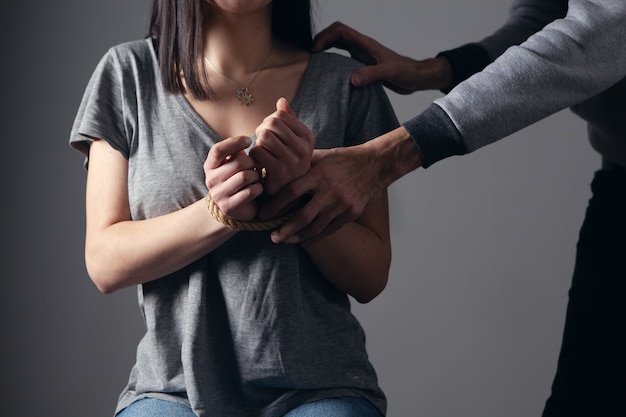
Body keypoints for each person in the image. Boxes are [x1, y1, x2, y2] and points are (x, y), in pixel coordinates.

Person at [259, 0, 626, 416]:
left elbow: (603, 31)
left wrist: (390, 155)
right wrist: (438, 69)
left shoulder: (343, 87)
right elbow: (551, 14)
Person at [69, 0, 400, 416]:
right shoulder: (126, 74)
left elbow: (371, 275)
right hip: (171, 391)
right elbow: (103, 261)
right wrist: (217, 213)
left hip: (320, 389)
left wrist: (297, 192)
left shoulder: (346, 83)